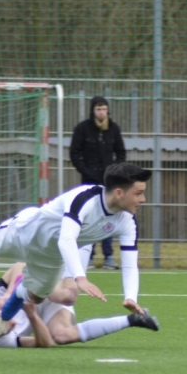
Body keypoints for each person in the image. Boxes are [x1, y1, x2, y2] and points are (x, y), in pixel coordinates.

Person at [0, 162, 152, 323]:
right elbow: (66, 239)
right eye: (138, 193)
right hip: (27, 232)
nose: (143, 199)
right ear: (119, 193)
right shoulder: (84, 199)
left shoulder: (127, 221)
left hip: (51, 257)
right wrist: (80, 278)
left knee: (37, 296)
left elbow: (129, 264)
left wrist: (130, 297)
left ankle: (19, 292)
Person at [0, 260, 159, 348]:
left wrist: (10, 294)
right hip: (39, 308)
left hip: (35, 286)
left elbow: (21, 266)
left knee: (66, 296)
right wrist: (32, 315)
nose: (12, 325)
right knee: (62, 336)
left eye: (6, 322)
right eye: (8, 329)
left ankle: (75, 262)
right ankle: (134, 320)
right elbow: (45, 343)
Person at [69, 95, 126, 270]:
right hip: (89, 182)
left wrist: (114, 172)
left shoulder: (114, 129)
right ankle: (88, 256)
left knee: (108, 215)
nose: (102, 112)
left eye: (104, 109)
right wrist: (87, 171)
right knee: (89, 217)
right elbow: (74, 153)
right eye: (98, 109)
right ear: (92, 110)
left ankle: (108, 256)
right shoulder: (82, 129)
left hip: (109, 183)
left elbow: (121, 153)